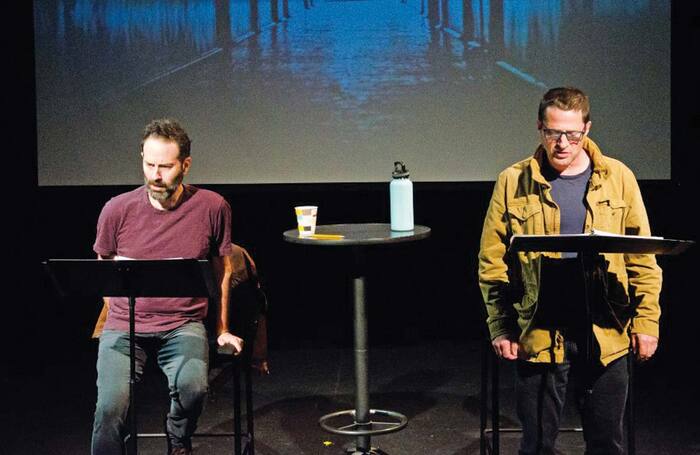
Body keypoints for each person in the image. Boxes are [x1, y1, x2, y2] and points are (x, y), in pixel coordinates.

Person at [478, 87, 662, 455]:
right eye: (553, 133)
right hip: (540, 324)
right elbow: (492, 261)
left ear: (587, 129)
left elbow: (641, 257)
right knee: (537, 444)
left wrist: (647, 323)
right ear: (540, 129)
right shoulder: (512, 181)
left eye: (572, 134)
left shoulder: (618, 177)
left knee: (607, 442)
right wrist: (501, 326)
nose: (562, 143)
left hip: (605, 324)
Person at [91, 119, 243, 455]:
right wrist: (118, 308)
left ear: (185, 165)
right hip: (124, 328)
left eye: (165, 166)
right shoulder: (116, 210)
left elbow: (223, 270)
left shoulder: (211, 207)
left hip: (182, 325)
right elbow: (103, 270)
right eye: (149, 165)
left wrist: (222, 328)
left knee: (194, 389)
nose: (155, 176)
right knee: (109, 409)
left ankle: (177, 436)